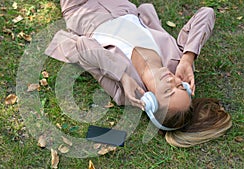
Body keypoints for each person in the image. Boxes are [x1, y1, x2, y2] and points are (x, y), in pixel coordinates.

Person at [45, 0, 232, 147]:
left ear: (150, 101)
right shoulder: (175, 61)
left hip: (82, 10)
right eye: (180, 87)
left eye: (168, 91)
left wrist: (121, 74)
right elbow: (206, 13)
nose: (173, 81)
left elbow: (79, 47)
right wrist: (188, 58)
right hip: (121, 4)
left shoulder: (122, 90)